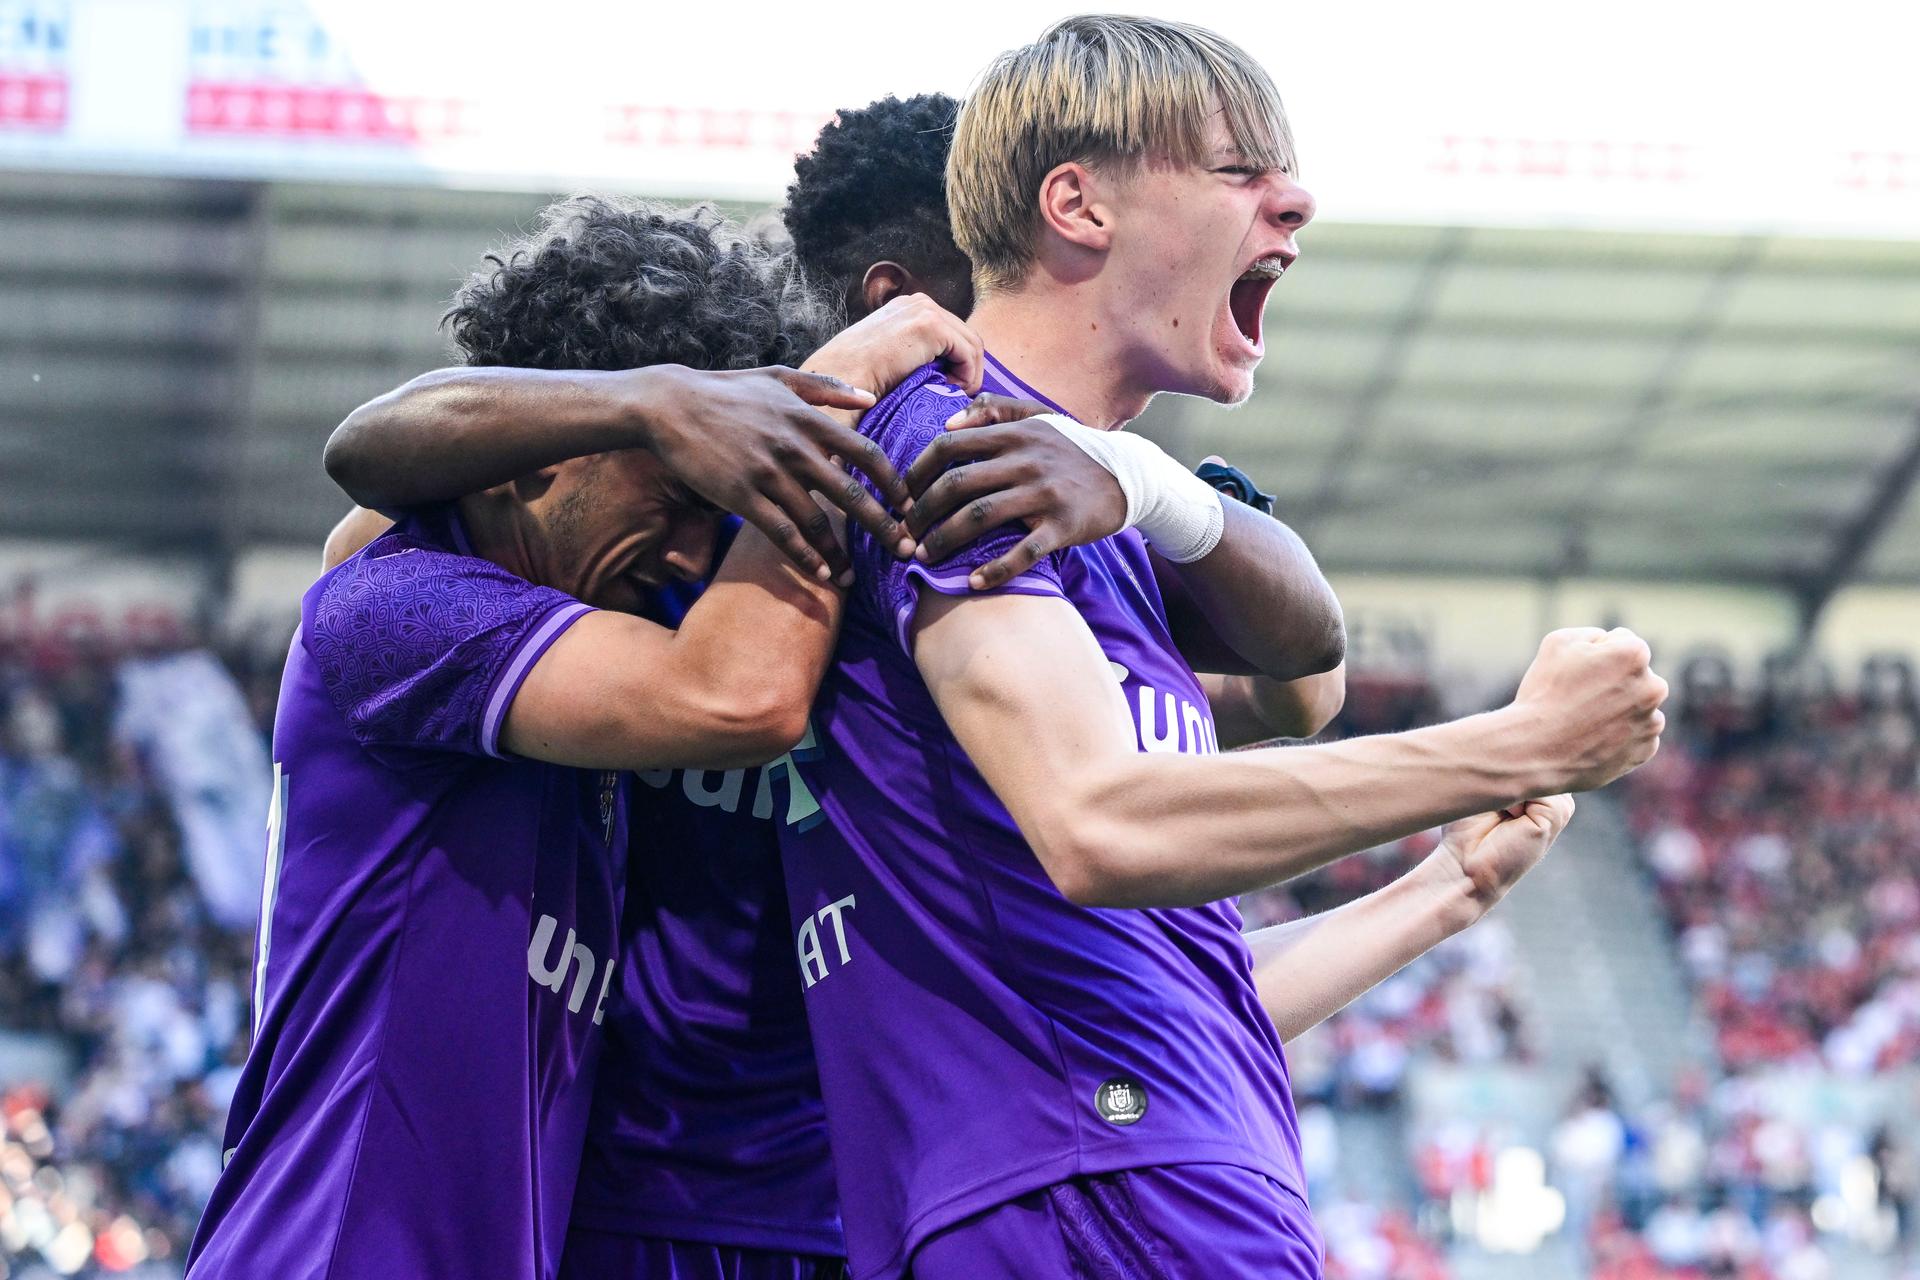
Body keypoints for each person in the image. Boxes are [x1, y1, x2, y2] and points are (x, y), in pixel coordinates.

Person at [775, 16, 1667, 1279]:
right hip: (1097, 1188)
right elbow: (1105, 826)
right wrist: (1516, 741)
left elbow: (1172, 971)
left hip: (1135, 1171)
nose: (1294, 202)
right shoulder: (963, 443)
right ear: (1076, 203)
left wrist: (1449, 889)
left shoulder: (1088, 497)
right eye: (1240, 168)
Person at [186, 198, 997, 1280]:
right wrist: (844, 393)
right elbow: (743, 697)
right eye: (679, 498)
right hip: (334, 1248)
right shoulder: (398, 605)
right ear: (551, 454)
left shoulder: (562, 651)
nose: (689, 557)